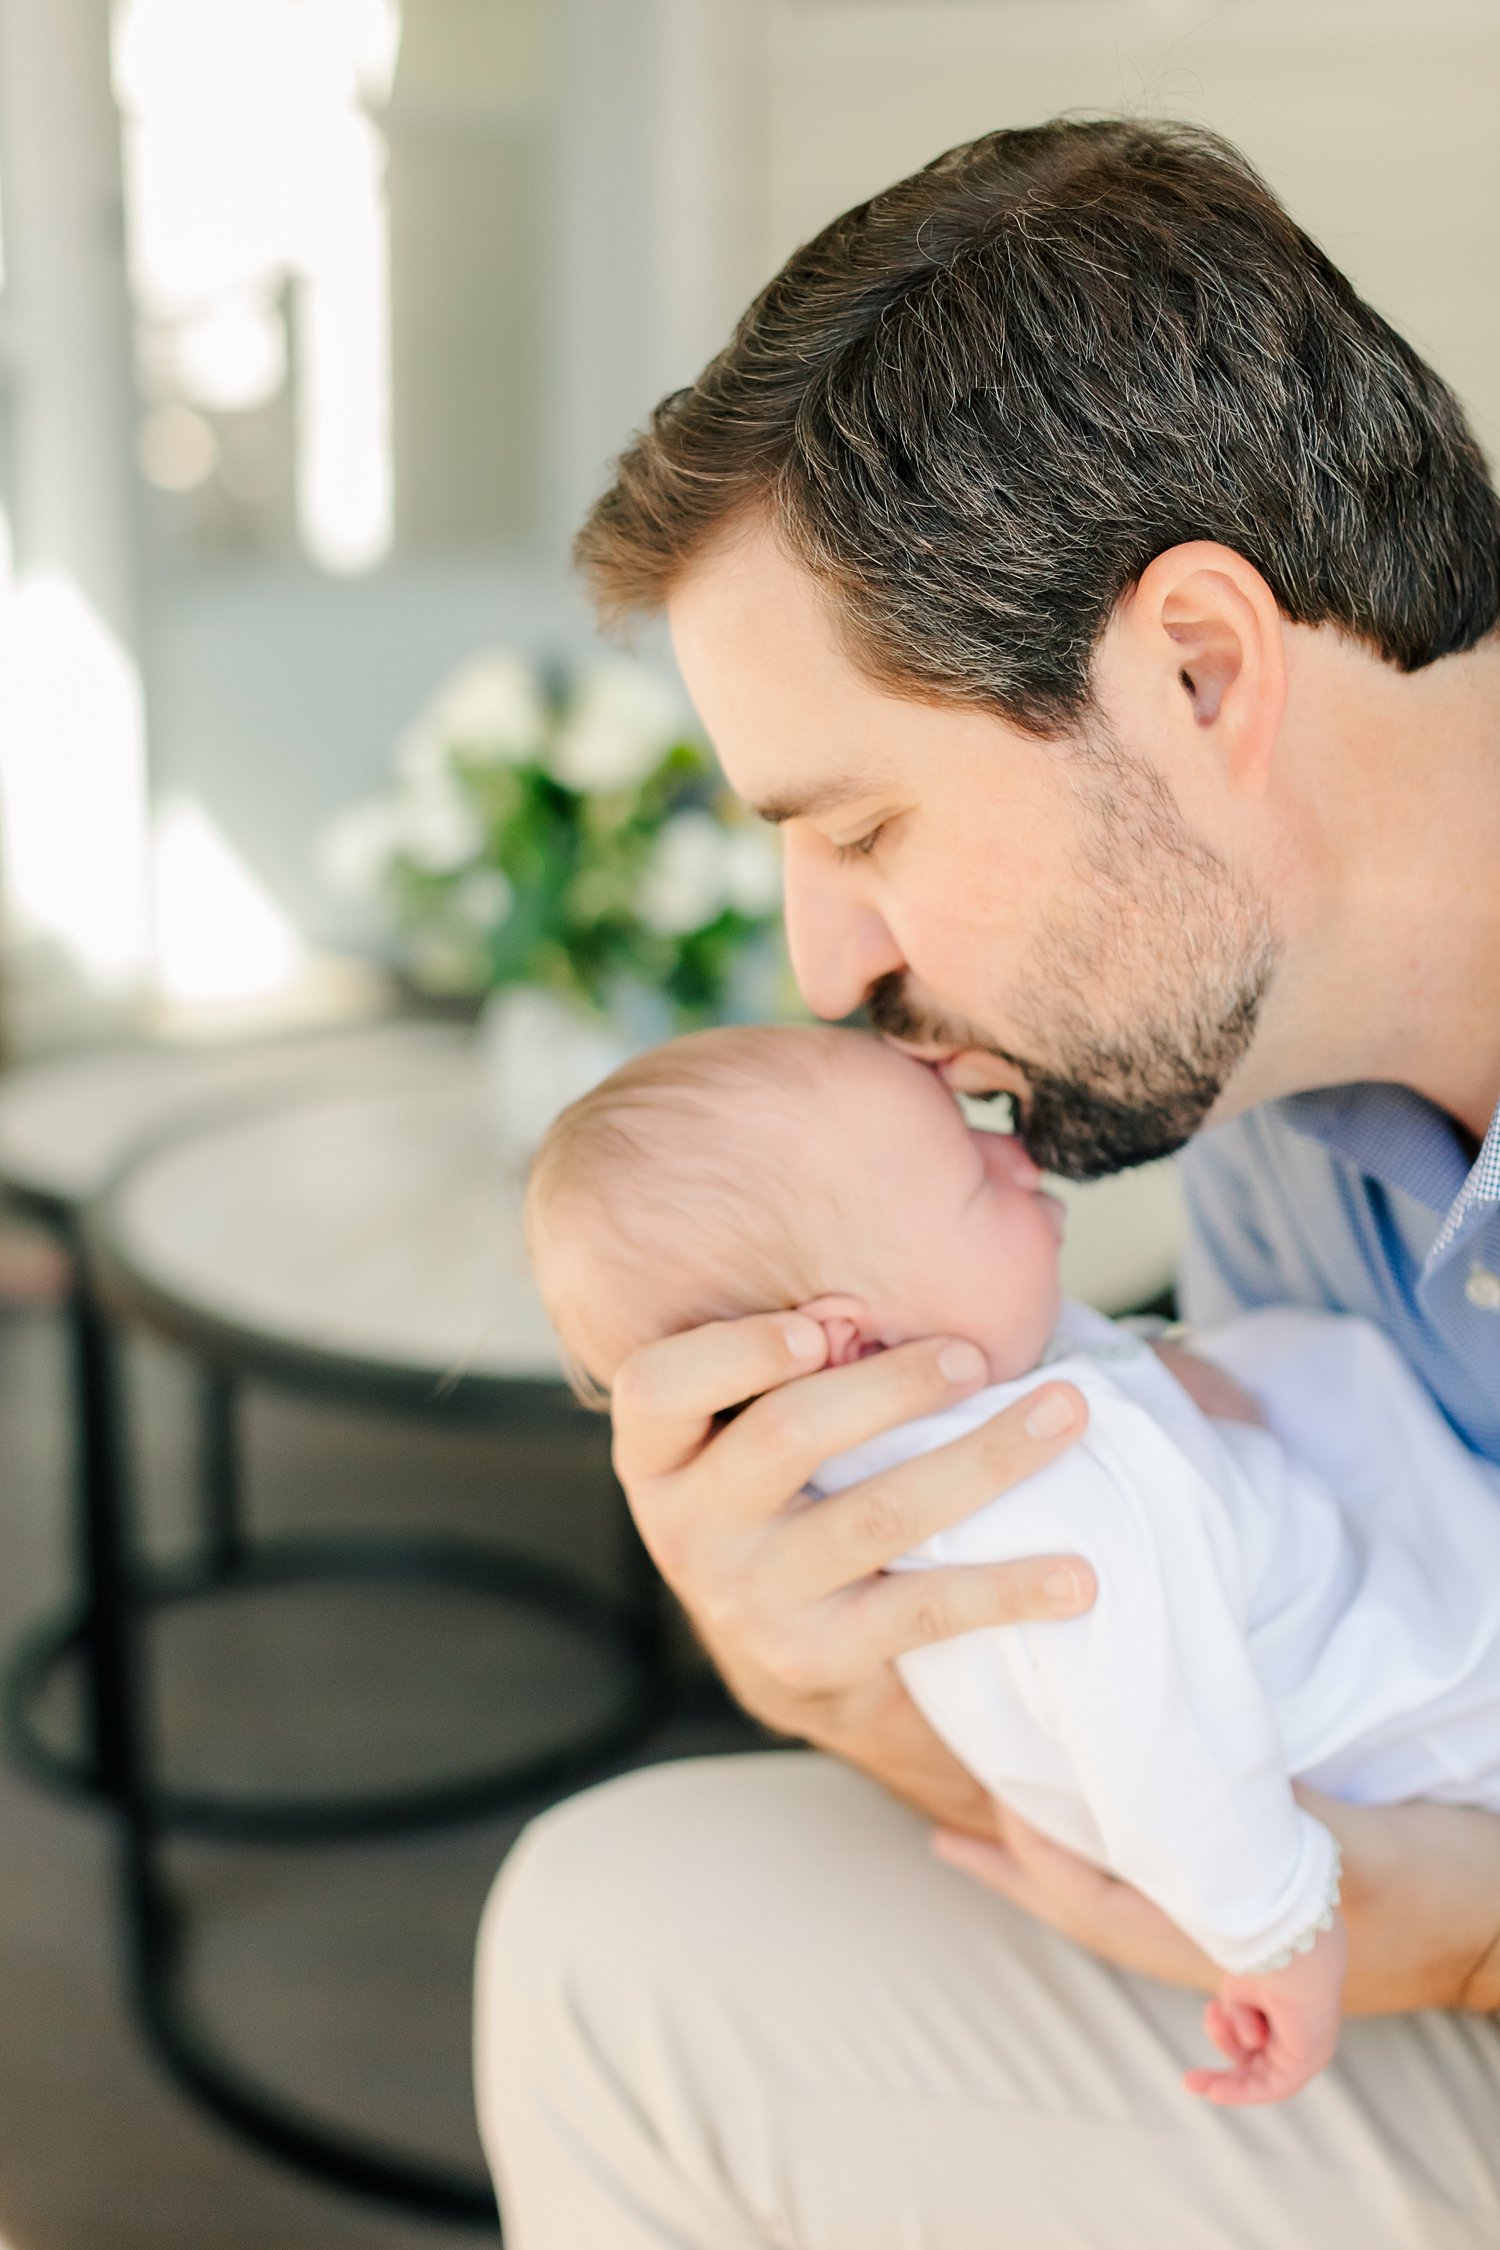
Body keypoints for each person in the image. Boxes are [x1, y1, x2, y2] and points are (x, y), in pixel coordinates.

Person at [475, 117, 1500, 2245]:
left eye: (856, 831)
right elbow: (1220, 1674)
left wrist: (1468, 1942)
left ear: (1200, 670)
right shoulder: (1283, 1100)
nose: (820, 960)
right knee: (619, 1928)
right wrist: (856, 1659)